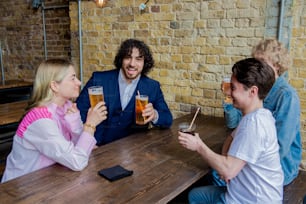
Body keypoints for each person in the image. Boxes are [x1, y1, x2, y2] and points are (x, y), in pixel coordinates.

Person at [178, 58, 284, 203]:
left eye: (233, 88)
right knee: (194, 195)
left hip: (250, 201)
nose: (229, 92)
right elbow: (230, 139)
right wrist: (225, 165)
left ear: (252, 91)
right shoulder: (259, 114)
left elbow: (228, 170)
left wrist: (199, 146)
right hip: (243, 193)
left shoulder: (255, 124)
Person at [1, 59, 106, 183]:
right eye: (72, 78)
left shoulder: (67, 107)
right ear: (54, 86)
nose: (79, 82)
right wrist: (90, 125)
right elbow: (77, 161)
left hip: (51, 179)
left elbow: (82, 150)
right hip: (21, 188)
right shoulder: (41, 120)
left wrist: (75, 123)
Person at [221, 39, 302, 186]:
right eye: (256, 62)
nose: (258, 67)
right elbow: (233, 123)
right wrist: (229, 97)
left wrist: (242, 163)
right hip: (252, 155)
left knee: (220, 175)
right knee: (217, 172)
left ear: (277, 66)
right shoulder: (253, 87)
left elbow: (280, 148)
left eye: (263, 62)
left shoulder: (287, 96)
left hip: (278, 166)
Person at [76, 38, 173, 146]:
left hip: (134, 150)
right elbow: (78, 113)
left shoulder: (152, 86)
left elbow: (167, 119)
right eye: (128, 57)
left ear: (145, 62)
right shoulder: (98, 79)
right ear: (121, 59)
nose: (132, 63)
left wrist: (154, 115)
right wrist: (87, 141)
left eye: (138, 59)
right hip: (97, 147)